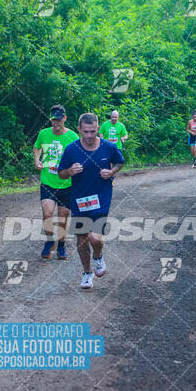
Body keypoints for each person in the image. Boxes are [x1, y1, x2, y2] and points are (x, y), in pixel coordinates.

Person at [58, 113, 124, 289]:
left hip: (101, 198)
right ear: (79, 130)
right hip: (79, 200)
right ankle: (87, 273)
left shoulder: (108, 147)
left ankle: (98, 256)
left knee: (94, 238)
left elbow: (119, 162)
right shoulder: (71, 149)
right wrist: (70, 171)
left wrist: (111, 172)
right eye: (85, 132)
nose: (89, 136)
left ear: (97, 129)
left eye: (93, 131)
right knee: (81, 240)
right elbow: (61, 173)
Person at [33, 105, 79, 260]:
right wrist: (37, 160)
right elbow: (36, 147)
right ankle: (49, 241)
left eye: (59, 120)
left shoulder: (72, 136)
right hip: (47, 181)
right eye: (53, 120)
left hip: (66, 184)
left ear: (64, 119)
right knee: (47, 213)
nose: (56, 123)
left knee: (62, 218)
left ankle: (61, 245)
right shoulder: (44, 133)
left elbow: (80, 153)